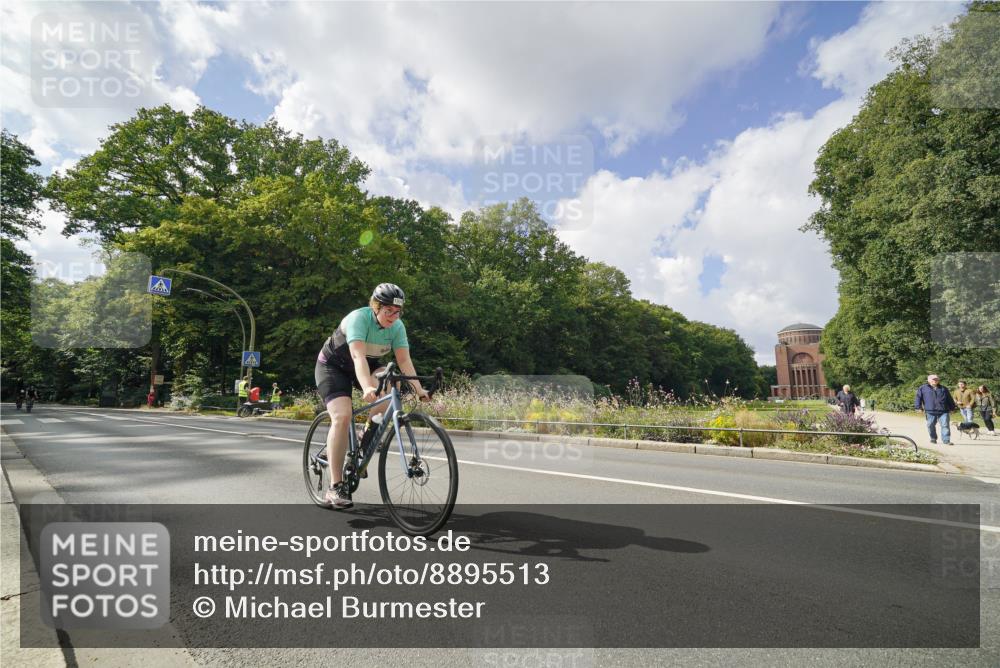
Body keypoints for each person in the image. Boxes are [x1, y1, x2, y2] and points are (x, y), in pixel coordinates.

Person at [314, 283, 430, 509]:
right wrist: (367, 387)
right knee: (342, 416)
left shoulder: (397, 327)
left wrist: (419, 390)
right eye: (389, 311)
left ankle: (363, 438)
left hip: (368, 364)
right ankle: (335, 486)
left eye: (398, 312)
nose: (394, 317)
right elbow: (357, 356)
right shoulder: (359, 318)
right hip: (333, 367)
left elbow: (404, 361)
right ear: (375, 307)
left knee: (387, 392)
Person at [915, 374, 957, 445]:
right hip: (930, 410)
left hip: (944, 410)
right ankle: (933, 438)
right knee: (930, 425)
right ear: (929, 380)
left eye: (936, 379)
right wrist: (918, 407)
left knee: (945, 425)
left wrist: (952, 408)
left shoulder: (943, 388)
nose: (935, 380)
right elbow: (918, 398)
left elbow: (949, 398)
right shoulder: (923, 388)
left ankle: (946, 440)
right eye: (933, 379)